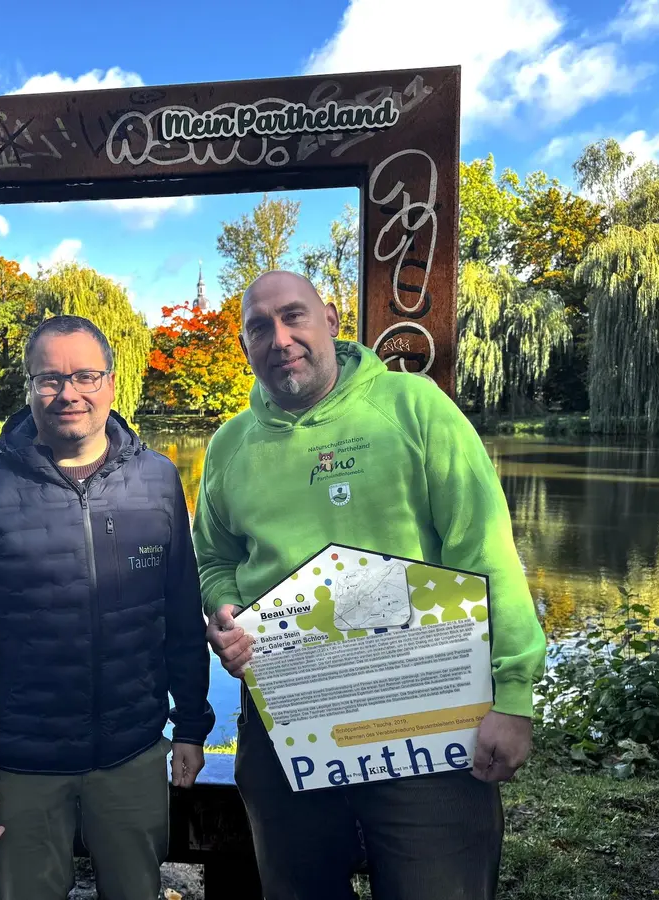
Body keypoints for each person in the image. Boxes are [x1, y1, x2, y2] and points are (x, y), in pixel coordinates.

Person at [192, 271, 548, 899]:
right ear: (245, 344)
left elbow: (486, 546)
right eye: (258, 327)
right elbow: (214, 558)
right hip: (288, 714)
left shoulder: (414, 407)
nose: (280, 338)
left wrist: (513, 694)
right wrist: (224, 607)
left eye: (294, 316)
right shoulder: (229, 446)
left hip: (427, 709)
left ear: (331, 320)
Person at [0, 314, 216, 900]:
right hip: (22, 763)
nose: (69, 393)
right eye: (49, 379)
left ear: (111, 383)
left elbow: (181, 614)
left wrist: (190, 725)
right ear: (29, 388)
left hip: (132, 753)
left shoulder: (157, 480)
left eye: (85, 375)